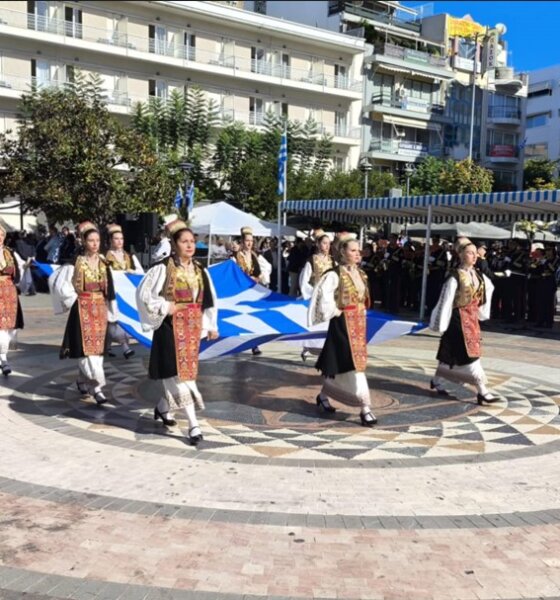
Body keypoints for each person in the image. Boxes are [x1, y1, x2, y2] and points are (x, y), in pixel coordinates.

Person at [136, 220, 218, 445]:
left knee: (182, 375)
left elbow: (209, 299)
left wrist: (211, 325)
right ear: (174, 244)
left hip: (191, 330)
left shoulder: (200, 270)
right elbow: (143, 295)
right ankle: (193, 425)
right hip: (169, 328)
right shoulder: (163, 268)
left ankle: (163, 408)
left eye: (192, 241)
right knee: (180, 377)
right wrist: (165, 306)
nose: (190, 245)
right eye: (184, 241)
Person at [309, 237, 377, 427]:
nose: (357, 254)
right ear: (343, 252)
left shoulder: (362, 274)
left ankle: (323, 396)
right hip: (342, 324)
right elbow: (324, 294)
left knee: (343, 364)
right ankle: (366, 408)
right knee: (354, 364)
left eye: (358, 250)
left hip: (359, 324)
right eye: (353, 250)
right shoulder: (335, 274)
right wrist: (334, 311)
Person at [52, 222, 116, 404]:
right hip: (82, 309)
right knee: (85, 349)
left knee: (97, 349)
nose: (95, 244)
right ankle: (97, 388)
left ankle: (82, 379)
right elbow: (61, 284)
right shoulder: (76, 262)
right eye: (91, 240)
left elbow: (110, 290)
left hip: (100, 310)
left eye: (97, 240)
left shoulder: (104, 263)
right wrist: (75, 299)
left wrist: (112, 312)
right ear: (84, 241)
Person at [429, 240, 498, 405]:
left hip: (472, 318)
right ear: (460, 255)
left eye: (476, 253)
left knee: (450, 355)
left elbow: (489, 287)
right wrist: (441, 322)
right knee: (471, 354)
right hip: (457, 319)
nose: (474, 256)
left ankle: (437, 380)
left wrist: (481, 312)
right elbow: (445, 300)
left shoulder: (478, 275)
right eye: (470, 253)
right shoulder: (455, 276)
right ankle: (482, 391)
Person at [104, 223, 144, 359]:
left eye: (121, 239)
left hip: (125, 293)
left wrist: (131, 271)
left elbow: (140, 272)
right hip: (111, 292)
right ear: (110, 240)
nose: (119, 241)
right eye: (116, 239)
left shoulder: (130, 256)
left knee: (120, 317)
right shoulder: (105, 257)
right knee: (111, 318)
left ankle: (118, 346)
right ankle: (123, 347)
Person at [299, 231, 336, 362]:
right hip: (315, 297)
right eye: (324, 243)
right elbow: (304, 280)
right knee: (314, 324)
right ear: (318, 244)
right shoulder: (311, 260)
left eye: (328, 244)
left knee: (326, 324)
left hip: (329, 298)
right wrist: (311, 294)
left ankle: (324, 351)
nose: (326, 246)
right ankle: (307, 348)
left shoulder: (332, 260)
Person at [233, 227, 264, 355]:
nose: (250, 243)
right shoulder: (237, 256)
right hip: (241, 291)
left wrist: (258, 277)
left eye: (251, 241)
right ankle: (237, 344)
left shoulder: (254, 255)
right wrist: (247, 278)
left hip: (253, 290)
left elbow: (259, 271)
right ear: (242, 241)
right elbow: (235, 273)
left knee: (254, 318)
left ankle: (254, 344)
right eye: (247, 241)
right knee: (241, 319)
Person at [0, 224, 24, 376]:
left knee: (9, 328)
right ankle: (3, 359)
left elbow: (19, 268)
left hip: (9, 292)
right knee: (1, 328)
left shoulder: (10, 252)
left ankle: (2, 356)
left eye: (1, 235)